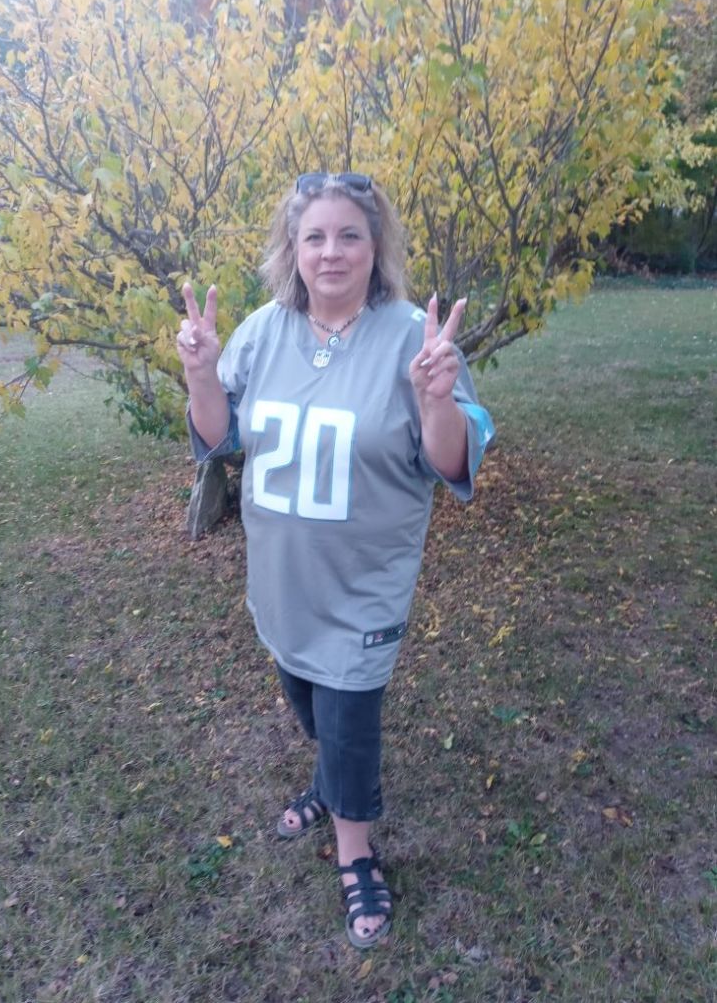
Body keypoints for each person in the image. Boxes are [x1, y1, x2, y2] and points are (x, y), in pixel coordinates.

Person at [176, 172, 494, 949]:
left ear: (375, 246)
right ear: (292, 248)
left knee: (348, 724)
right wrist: (201, 374)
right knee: (309, 701)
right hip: (283, 586)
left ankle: (355, 850)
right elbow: (221, 438)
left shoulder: (412, 338)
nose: (331, 251)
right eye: (314, 236)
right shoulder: (262, 331)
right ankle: (327, 781)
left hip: (364, 588)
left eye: (349, 234)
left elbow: (453, 462)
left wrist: (437, 400)